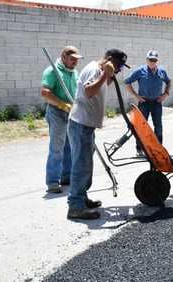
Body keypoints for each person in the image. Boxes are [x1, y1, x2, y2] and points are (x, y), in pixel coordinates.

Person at [67, 48, 129, 220]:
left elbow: (100, 87)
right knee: (80, 165)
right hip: (81, 124)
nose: (118, 70)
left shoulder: (100, 71)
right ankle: (75, 206)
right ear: (109, 59)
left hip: (86, 125)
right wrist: (105, 74)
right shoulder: (94, 69)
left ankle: (81, 198)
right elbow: (88, 92)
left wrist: (108, 75)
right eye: (118, 66)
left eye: (121, 68)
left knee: (86, 164)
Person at [41, 45, 83, 193]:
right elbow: (45, 91)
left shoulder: (74, 72)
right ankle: (52, 182)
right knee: (57, 147)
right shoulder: (53, 71)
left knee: (69, 147)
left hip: (71, 112)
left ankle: (66, 177)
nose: (75, 63)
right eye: (72, 59)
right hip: (57, 112)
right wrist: (60, 103)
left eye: (77, 60)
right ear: (64, 56)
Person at [124, 50, 172, 157]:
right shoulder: (140, 71)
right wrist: (135, 95)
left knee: (158, 126)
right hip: (144, 102)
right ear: (147, 60)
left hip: (156, 102)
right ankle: (139, 149)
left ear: (157, 61)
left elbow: (168, 82)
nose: (152, 62)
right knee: (141, 127)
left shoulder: (161, 72)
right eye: (150, 60)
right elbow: (127, 82)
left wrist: (166, 94)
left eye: (154, 60)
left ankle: (159, 149)